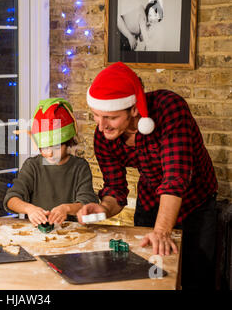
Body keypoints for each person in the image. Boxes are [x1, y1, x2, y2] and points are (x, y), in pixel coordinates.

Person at [78, 62, 218, 289]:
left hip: (196, 204)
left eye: (110, 117)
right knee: (147, 275)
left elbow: (176, 178)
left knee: (196, 277)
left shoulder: (170, 108)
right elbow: (116, 189)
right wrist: (104, 208)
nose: (102, 126)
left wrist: (162, 231)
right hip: (151, 201)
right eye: (96, 115)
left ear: (133, 109)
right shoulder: (103, 135)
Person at [3, 98, 98, 226]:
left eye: (57, 147)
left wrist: (66, 208)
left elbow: (88, 202)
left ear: (69, 142)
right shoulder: (32, 166)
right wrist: (29, 209)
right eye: (45, 148)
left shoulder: (80, 167)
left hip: (70, 232)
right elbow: (11, 199)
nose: (50, 153)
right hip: (35, 233)